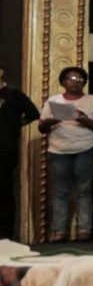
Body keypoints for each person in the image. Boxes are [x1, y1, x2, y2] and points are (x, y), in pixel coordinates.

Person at [38, 66, 93, 241]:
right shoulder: (54, 101)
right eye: (71, 79)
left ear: (84, 82)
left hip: (86, 148)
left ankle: (84, 231)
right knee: (60, 191)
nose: (76, 82)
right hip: (59, 150)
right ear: (63, 82)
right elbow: (41, 127)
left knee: (84, 190)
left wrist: (84, 119)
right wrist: (51, 120)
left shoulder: (92, 100)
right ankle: (59, 232)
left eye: (79, 80)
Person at [0, 67, 40, 240]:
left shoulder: (14, 94)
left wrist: (14, 126)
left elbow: (33, 113)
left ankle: (5, 232)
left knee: (4, 190)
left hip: (5, 149)